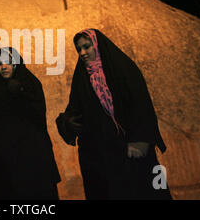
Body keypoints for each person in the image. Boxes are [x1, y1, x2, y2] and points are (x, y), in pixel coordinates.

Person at [56, 28, 172, 200]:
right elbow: (74, 110)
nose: (83, 53)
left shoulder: (123, 68)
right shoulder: (82, 78)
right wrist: (67, 122)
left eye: (87, 47)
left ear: (98, 45)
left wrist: (141, 139)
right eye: (79, 49)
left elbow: (142, 106)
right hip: (103, 155)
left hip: (132, 148)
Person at [0, 47, 61, 200]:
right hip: (8, 164)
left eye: (8, 62)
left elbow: (37, 116)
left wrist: (20, 92)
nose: (4, 67)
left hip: (33, 159)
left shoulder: (30, 84)